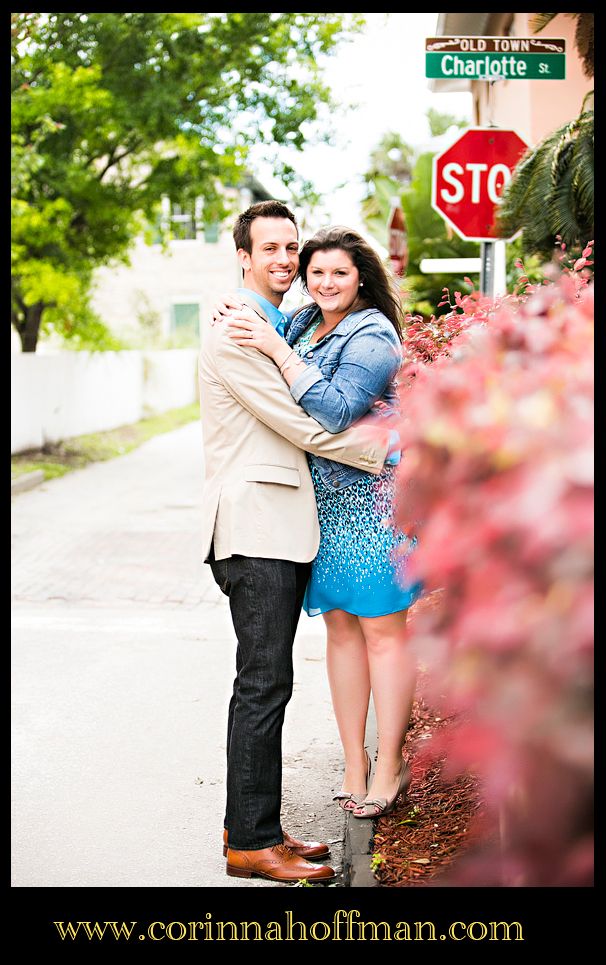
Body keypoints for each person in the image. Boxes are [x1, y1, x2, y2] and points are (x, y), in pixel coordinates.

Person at [198, 202, 396, 882]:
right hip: (255, 524)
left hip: (277, 525)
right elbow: (298, 422)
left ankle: (252, 823)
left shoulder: (282, 324)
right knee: (263, 684)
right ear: (244, 257)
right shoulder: (236, 331)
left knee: (266, 681)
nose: (285, 259)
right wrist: (384, 449)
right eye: (270, 248)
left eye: (292, 245)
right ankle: (251, 842)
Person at [222, 225, 421, 821]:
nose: (325, 282)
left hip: (374, 504)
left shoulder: (372, 333)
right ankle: (353, 764)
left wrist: (279, 352)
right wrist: (232, 307)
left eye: (339, 272)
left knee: (384, 634)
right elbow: (253, 328)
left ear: (361, 275)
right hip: (322, 507)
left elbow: (334, 411)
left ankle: (389, 766)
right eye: (317, 272)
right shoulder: (304, 324)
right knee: (339, 631)